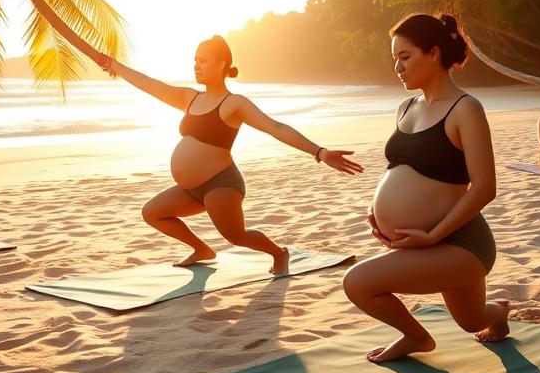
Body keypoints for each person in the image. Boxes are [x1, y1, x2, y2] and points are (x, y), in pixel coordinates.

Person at [97, 35, 363, 274]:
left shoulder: (234, 104)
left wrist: (320, 152)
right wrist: (115, 67)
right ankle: (202, 250)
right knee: (152, 212)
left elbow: (275, 127)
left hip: (220, 185)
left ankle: (279, 252)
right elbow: (151, 85)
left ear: (223, 64)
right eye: (194, 60)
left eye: (203, 61)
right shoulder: (190, 98)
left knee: (236, 237)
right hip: (190, 189)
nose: (196, 66)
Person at [343, 14, 509, 363]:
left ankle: (416, 338)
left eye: (405, 57)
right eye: (395, 59)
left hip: (462, 244)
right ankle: (500, 312)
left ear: (433, 53)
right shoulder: (406, 107)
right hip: (425, 242)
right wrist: (377, 213)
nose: (397, 67)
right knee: (471, 320)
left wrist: (433, 236)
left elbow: (484, 188)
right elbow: (402, 167)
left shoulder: (466, 109)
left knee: (357, 282)